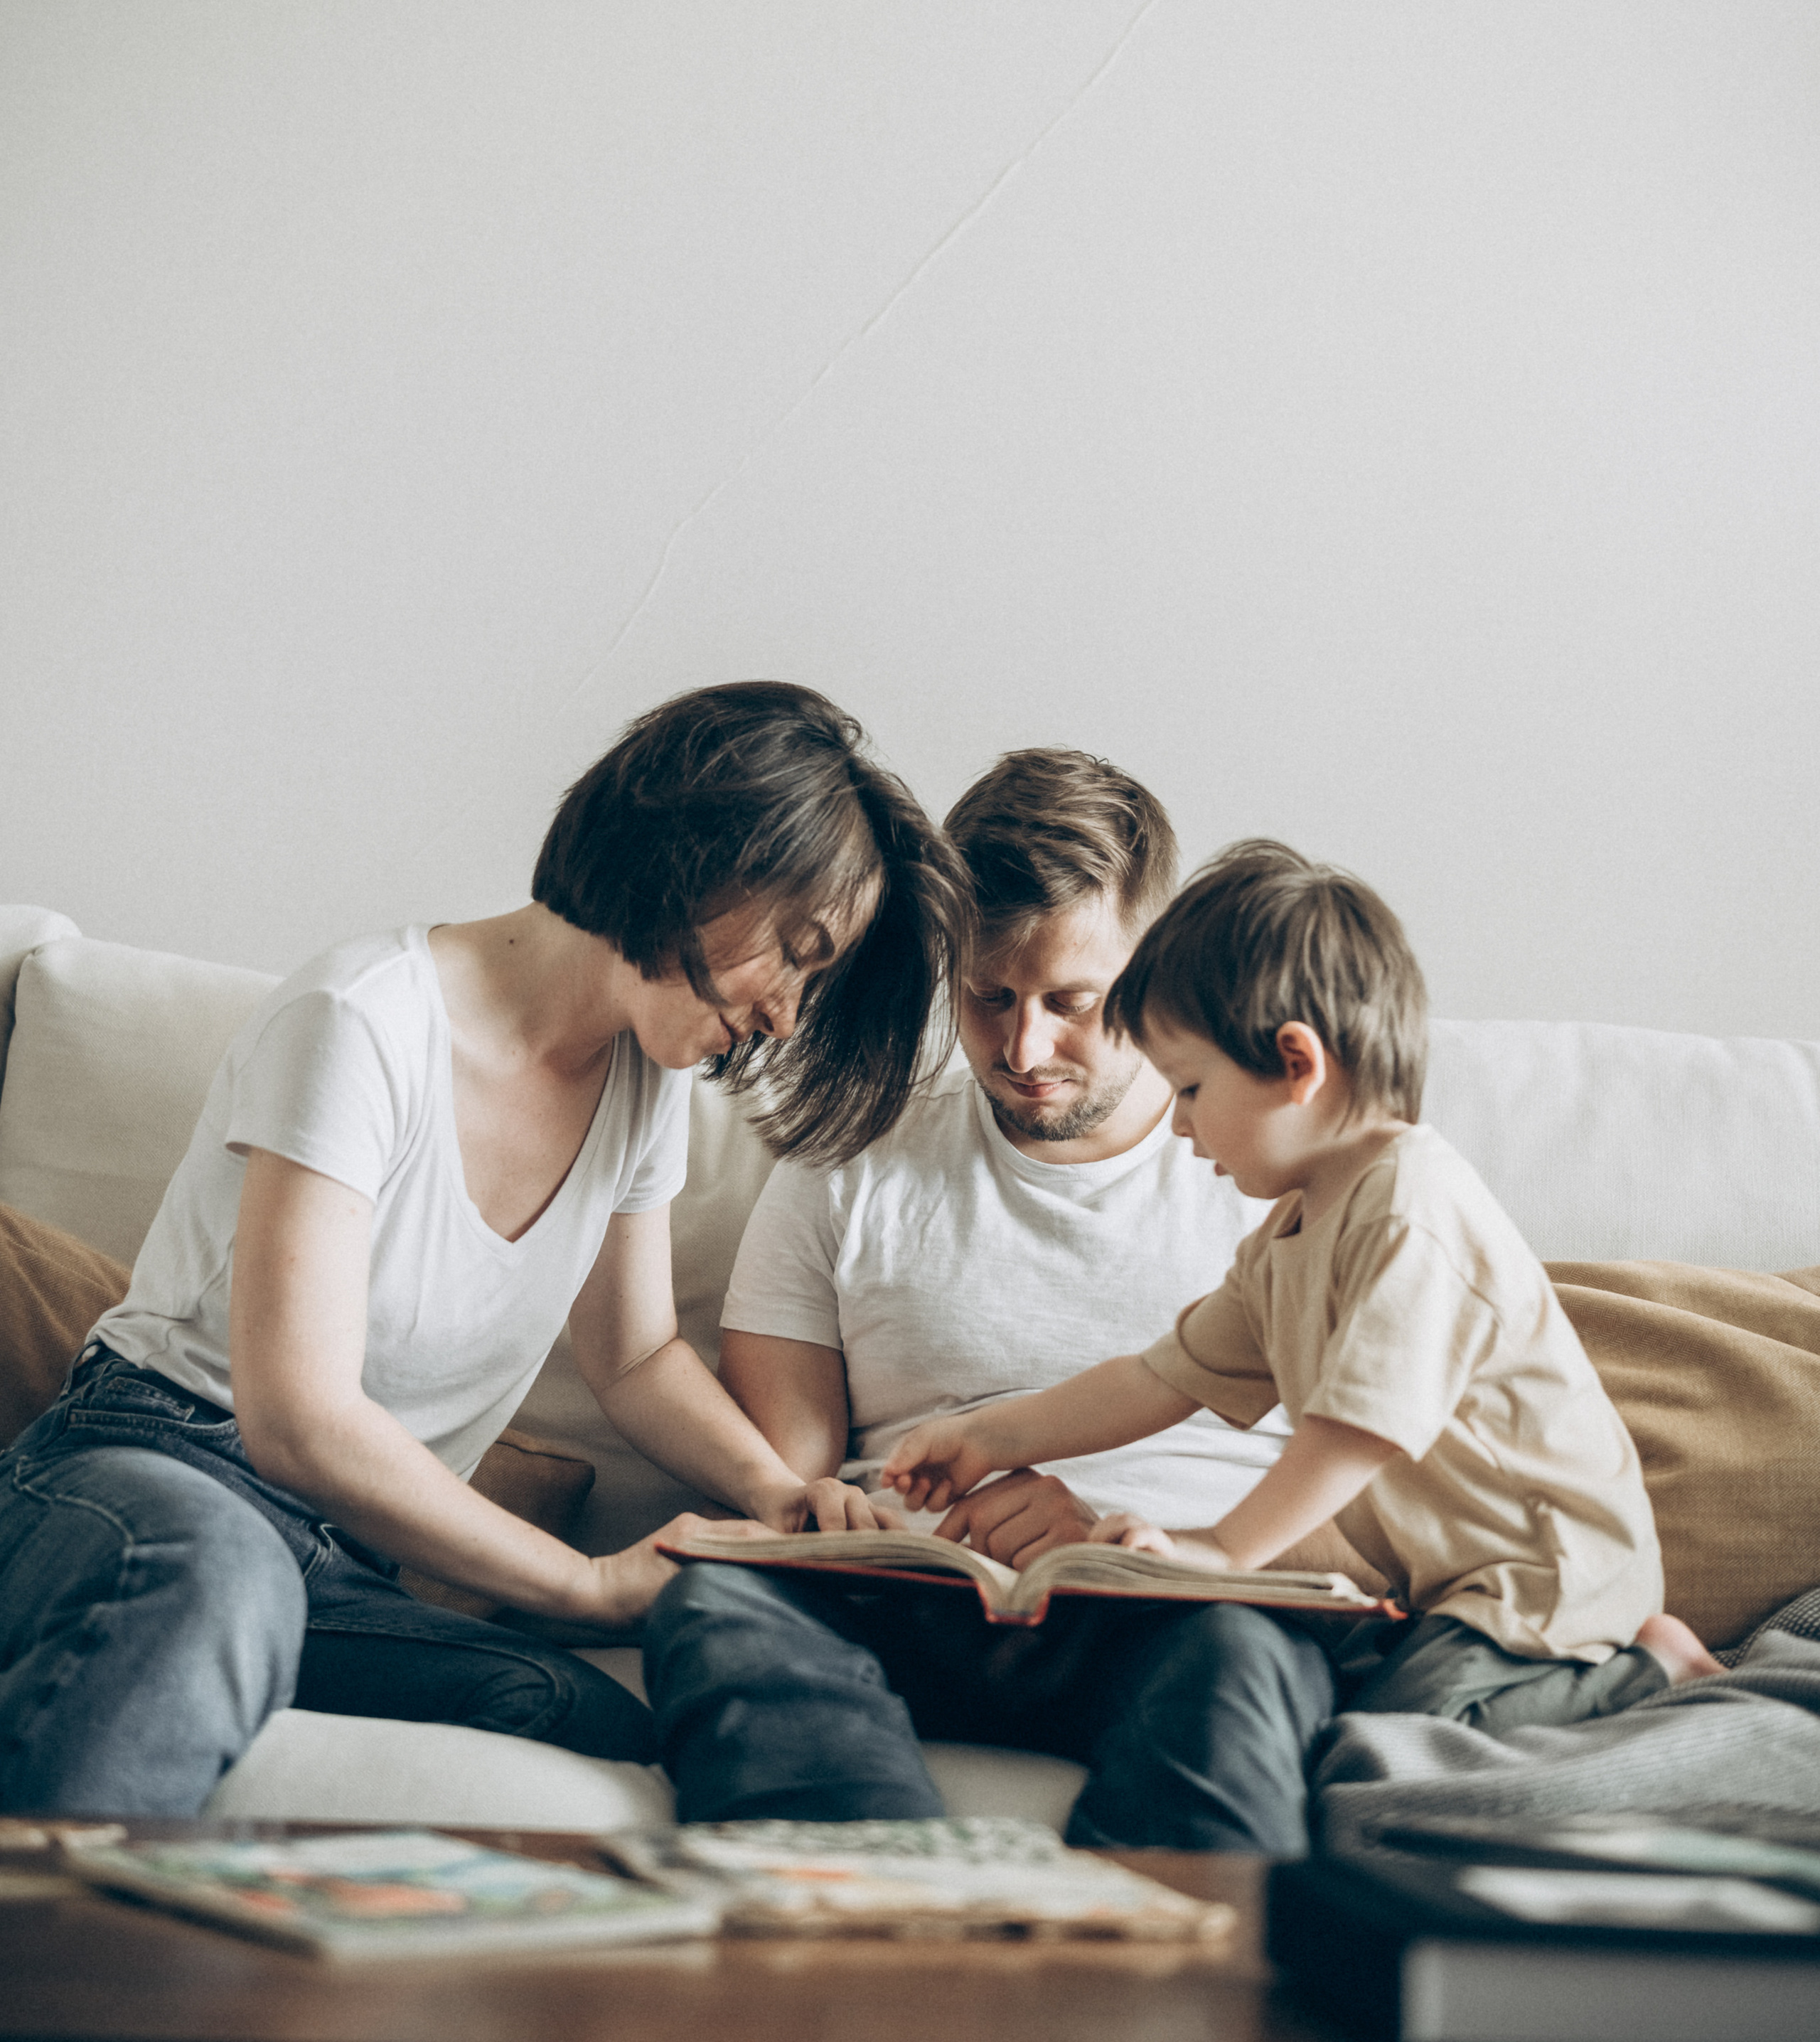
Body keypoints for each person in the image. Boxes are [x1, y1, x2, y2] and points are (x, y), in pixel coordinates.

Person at [0, 680, 970, 1815]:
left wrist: (784, 1494)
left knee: (574, 1716)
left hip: (341, 1560)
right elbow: (297, 1420)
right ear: (700, 859)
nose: (788, 1015)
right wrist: (587, 1584)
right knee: (214, 1568)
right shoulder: (362, 1020)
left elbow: (634, 1356)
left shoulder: (642, 1083)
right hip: (157, 1477)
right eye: (796, 956)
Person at [885, 839, 1724, 1847]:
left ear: (1297, 1066)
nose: (1178, 1127)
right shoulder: (1290, 1233)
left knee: (1378, 1754)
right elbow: (1160, 1377)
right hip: (1452, 1592)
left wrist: (1219, 1551)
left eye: (1190, 1090)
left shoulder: (1411, 1210)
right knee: (1340, 1718)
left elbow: (1356, 1432)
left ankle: (1653, 1671)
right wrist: (991, 1436)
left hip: (1545, 1582)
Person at [644, 749, 1322, 1849]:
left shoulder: (1279, 1172)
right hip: (904, 1604)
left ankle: (1147, 1946)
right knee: (718, 1599)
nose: (1024, 1047)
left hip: (1172, 1611)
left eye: (1071, 1003)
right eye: (987, 997)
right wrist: (824, 1514)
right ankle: (881, 1915)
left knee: (1245, 1655)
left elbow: (1377, 1490)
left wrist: (1137, 1542)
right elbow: (790, 1473)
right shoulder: (851, 1155)